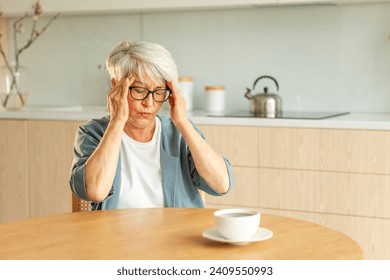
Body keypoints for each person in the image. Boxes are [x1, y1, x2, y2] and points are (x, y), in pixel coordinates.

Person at [70, 40, 234, 210]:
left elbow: (221, 185)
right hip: (117, 235)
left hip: (177, 233)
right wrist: (117, 121)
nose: (149, 103)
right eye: (139, 90)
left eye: (158, 92)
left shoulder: (178, 132)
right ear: (115, 87)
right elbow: (95, 191)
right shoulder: (92, 133)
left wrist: (183, 123)